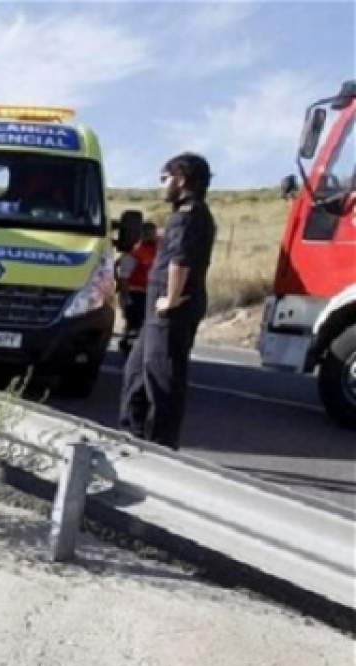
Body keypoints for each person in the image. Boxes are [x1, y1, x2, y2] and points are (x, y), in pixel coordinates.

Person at [119, 153, 216, 449]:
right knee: (136, 372)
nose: (162, 185)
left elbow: (180, 260)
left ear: (181, 179)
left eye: (165, 178)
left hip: (170, 310)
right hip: (157, 311)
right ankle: (131, 434)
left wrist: (170, 300)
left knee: (162, 376)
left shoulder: (188, 215)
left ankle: (160, 445)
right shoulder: (187, 214)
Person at [117, 221, 159, 358]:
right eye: (148, 233)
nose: (151, 236)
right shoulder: (134, 253)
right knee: (134, 323)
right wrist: (125, 296)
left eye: (152, 233)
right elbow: (124, 277)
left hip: (151, 292)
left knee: (145, 324)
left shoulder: (157, 249)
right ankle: (128, 348)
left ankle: (133, 346)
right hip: (135, 293)